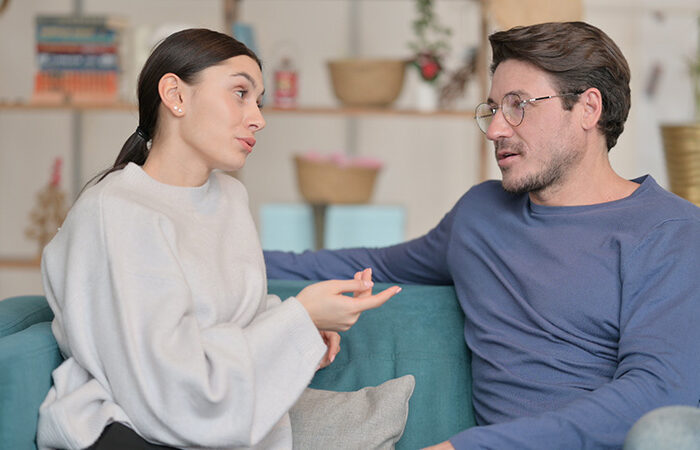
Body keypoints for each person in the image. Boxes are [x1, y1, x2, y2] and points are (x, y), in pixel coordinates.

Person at [264, 21, 700, 449]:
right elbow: (357, 266)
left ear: (588, 108)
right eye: (493, 109)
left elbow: (658, 394)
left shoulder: (670, 233)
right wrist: (219, 256)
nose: (496, 129)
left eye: (518, 106)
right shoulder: (481, 216)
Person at [37, 28, 400, 450]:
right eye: (240, 93)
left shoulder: (229, 198)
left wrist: (305, 331)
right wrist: (298, 319)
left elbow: (236, 321)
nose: (258, 118)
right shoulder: (117, 211)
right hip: (130, 434)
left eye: (259, 101)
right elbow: (170, 386)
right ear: (175, 95)